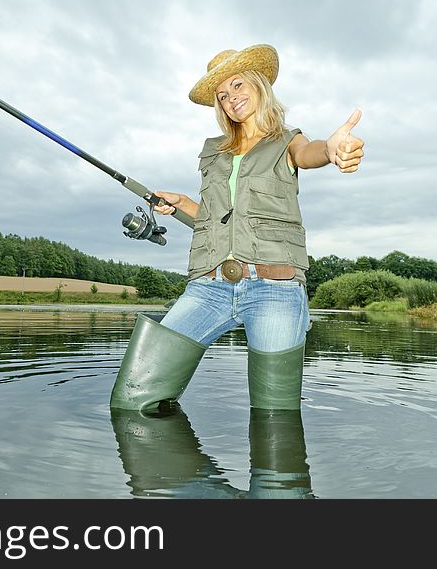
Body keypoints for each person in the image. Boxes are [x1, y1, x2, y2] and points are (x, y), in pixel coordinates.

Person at [110, 44, 364, 413]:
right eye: (223, 95)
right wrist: (182, 203)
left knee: (275, 417)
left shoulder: (288, 140)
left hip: (275, 286)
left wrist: (333, 149)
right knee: (133, 400)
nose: (231, 99)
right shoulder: (214, 151)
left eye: (238, 86)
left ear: (259, 85)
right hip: (208, 287)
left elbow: (310, 154)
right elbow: (218, 219)